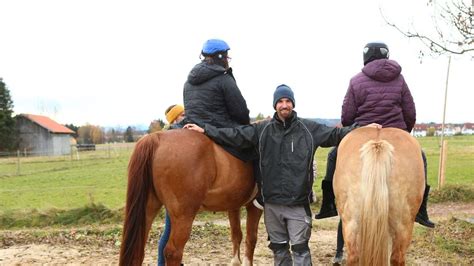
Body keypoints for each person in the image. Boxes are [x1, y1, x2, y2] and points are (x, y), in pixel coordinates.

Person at [185, 84, 381, 265]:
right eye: (280, 101)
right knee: (279, 250)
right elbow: (235, 136)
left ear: (293, 104)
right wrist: (206, 130)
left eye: (288, 101)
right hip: (271, 205)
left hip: (297, 204)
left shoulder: (308, 129)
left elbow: (336, 134)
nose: (284, 105)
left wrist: (361, 129)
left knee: (300, 250)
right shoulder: (262, 130)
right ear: (275, 105)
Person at [314, 42, 435, 262]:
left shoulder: (356, 80)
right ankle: (421, 210)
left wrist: (358, 129)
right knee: (421, 156)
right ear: (387, 57)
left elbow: (347, 115)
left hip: (363, 129)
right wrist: (402, 135)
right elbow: (410, 111)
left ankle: (329, 204)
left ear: (365, 58)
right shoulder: (399, 79)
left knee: (334, 156)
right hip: (397, 128)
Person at [158, 104, 185, 266]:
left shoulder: (174, 133)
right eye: (182, 115)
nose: (186, 116)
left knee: (172, 230)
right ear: (174, 119)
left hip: (176, 191)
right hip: (173, 192)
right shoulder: (172, 133)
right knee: (169, 231)